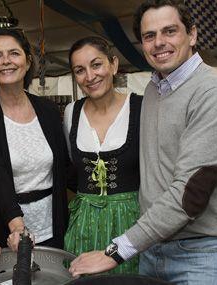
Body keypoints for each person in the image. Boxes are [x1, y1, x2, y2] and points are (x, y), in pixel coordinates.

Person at [69, 1, 217, 284]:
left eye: (170, 31)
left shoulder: (213, 92)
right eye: (149, 36)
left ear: (192, 35)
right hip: (152, 249)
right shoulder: (155, 88)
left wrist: (115, 251)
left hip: (203, 255)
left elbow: (191, 193)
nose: (159, 42)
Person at [0, 29, 69, 251]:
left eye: (14, 53)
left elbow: (65, 167)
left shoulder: (48, 111)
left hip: (51, 224)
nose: (6, 62)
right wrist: (17, 226)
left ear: (28, 60)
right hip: (3, 227)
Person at [62, 36, 141, 274]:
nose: (89, 76)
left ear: (113, 65)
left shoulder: (141, 107)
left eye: (96, 65)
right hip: (83, 224)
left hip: (131, 223)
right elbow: (70, 168)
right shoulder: (71, 112)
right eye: (79, 70)